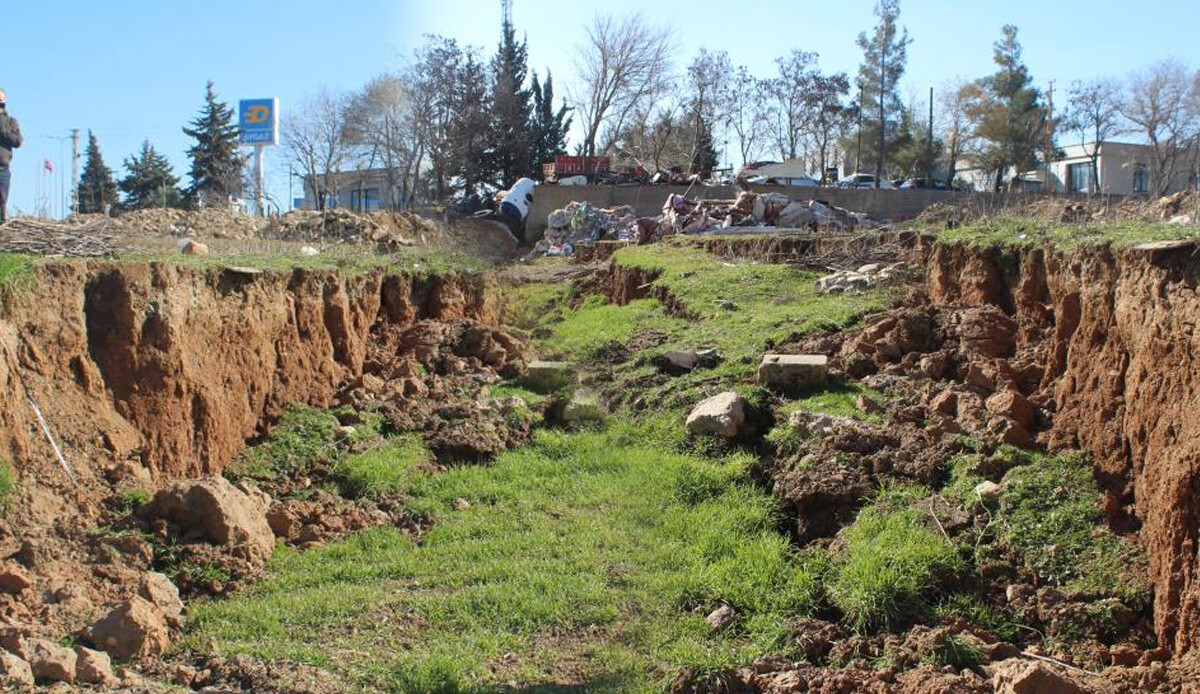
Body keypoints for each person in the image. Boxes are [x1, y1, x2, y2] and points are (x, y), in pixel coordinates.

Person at [0, 88, 22, 224]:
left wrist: (2, 129)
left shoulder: (10, 122)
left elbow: (18, 141)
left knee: (2, 204)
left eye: (1, 100)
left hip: (3, 170)